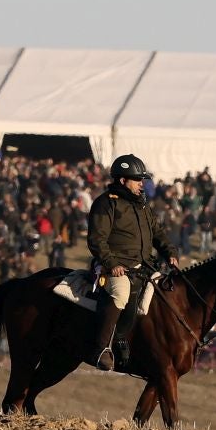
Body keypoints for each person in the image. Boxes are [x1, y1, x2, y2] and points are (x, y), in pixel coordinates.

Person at [87, 155, 175, 371]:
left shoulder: (142, 206)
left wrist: (170, 252)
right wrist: (111, 263)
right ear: (123, 180)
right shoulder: (106, 203)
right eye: (137, 180)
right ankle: (102, 348)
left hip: (144, 265)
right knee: (121, 291)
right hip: (114, 266)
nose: (142, 184)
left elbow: (158, 233)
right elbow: (96, 240)